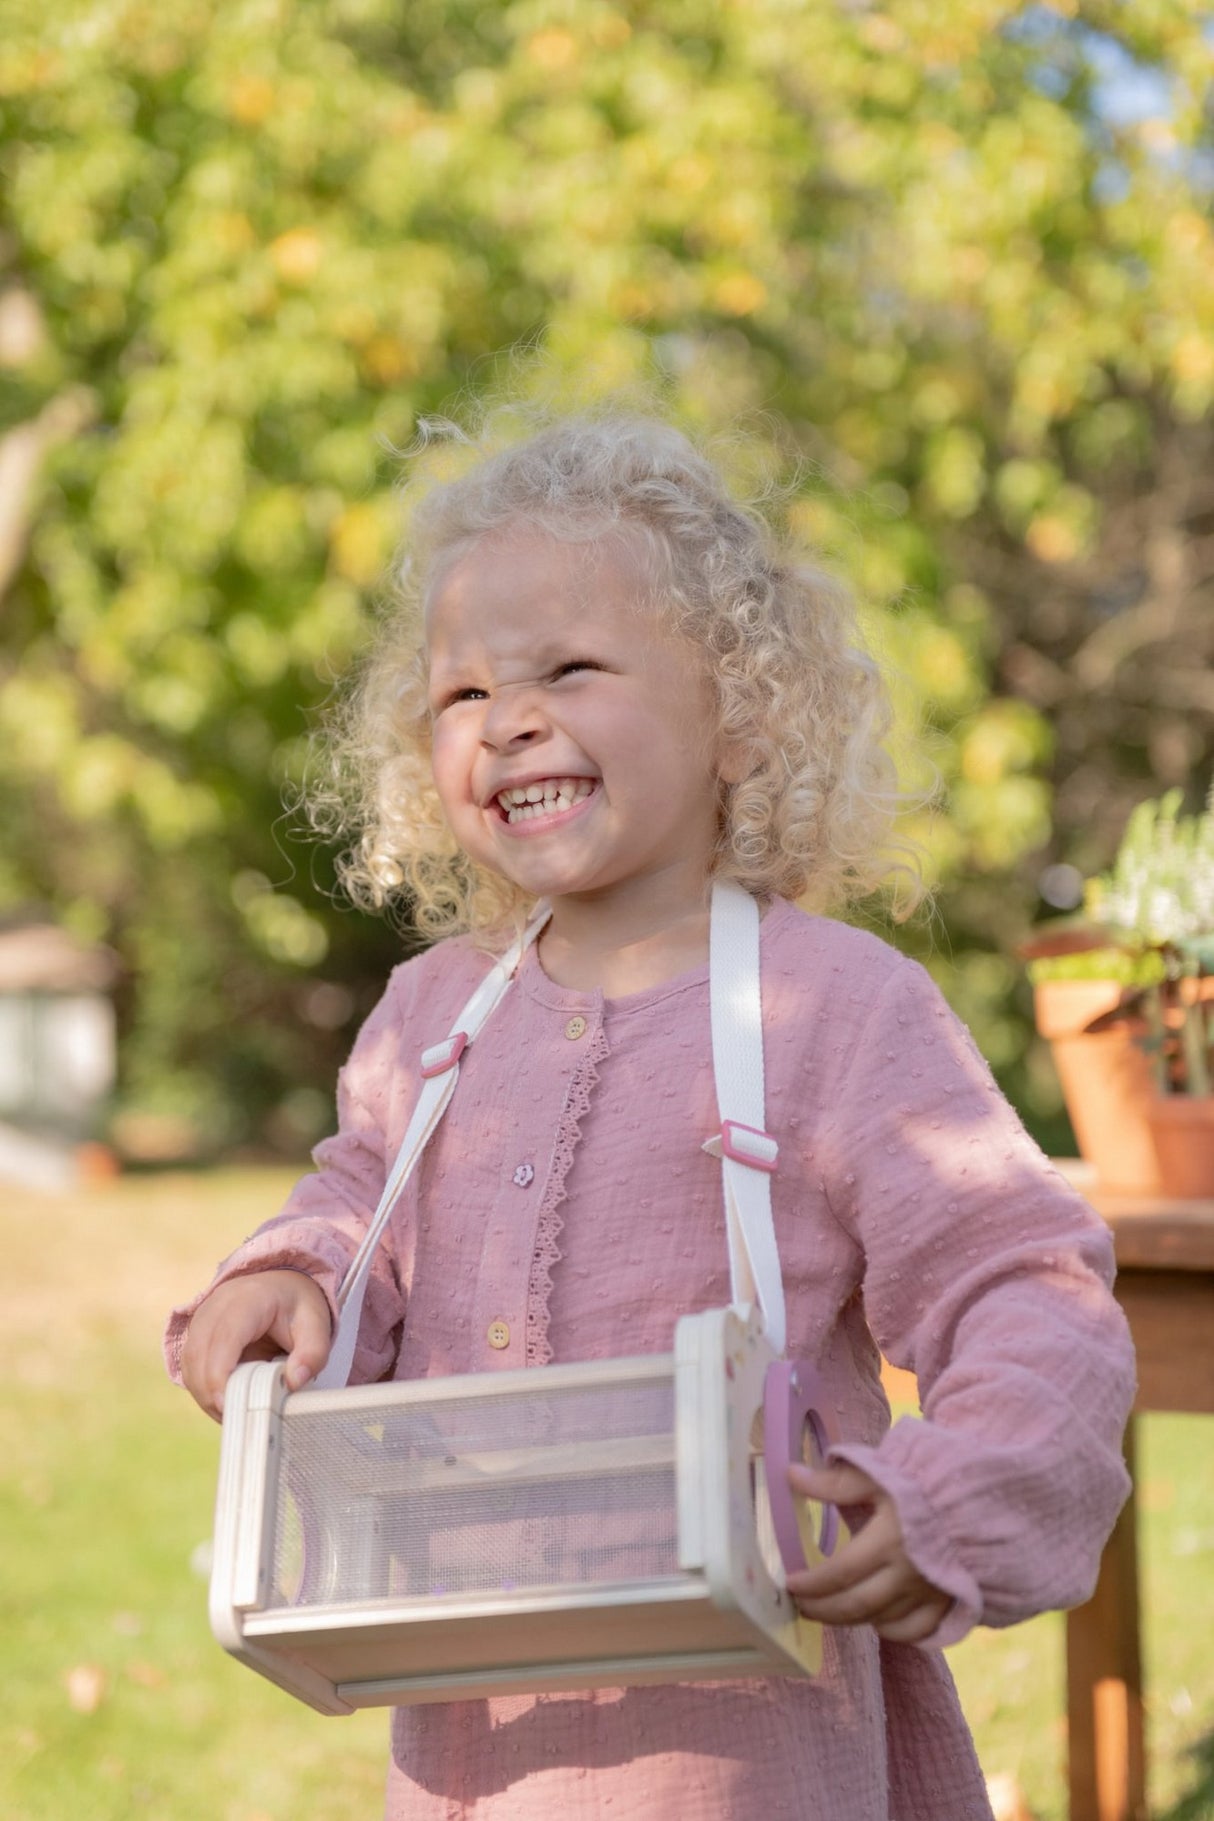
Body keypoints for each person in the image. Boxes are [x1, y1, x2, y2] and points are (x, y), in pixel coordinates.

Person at [166, 410, 1135, 1821]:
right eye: (460, 694)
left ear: (735, 714)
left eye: (568, 668)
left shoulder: (837, 1009)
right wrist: (291, 1272)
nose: (505, 719)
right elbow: (359, 1208)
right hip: (480, 1724)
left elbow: (1026, 1287)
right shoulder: (430, 1019)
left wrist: (950, 1491)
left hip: (749, 1740)